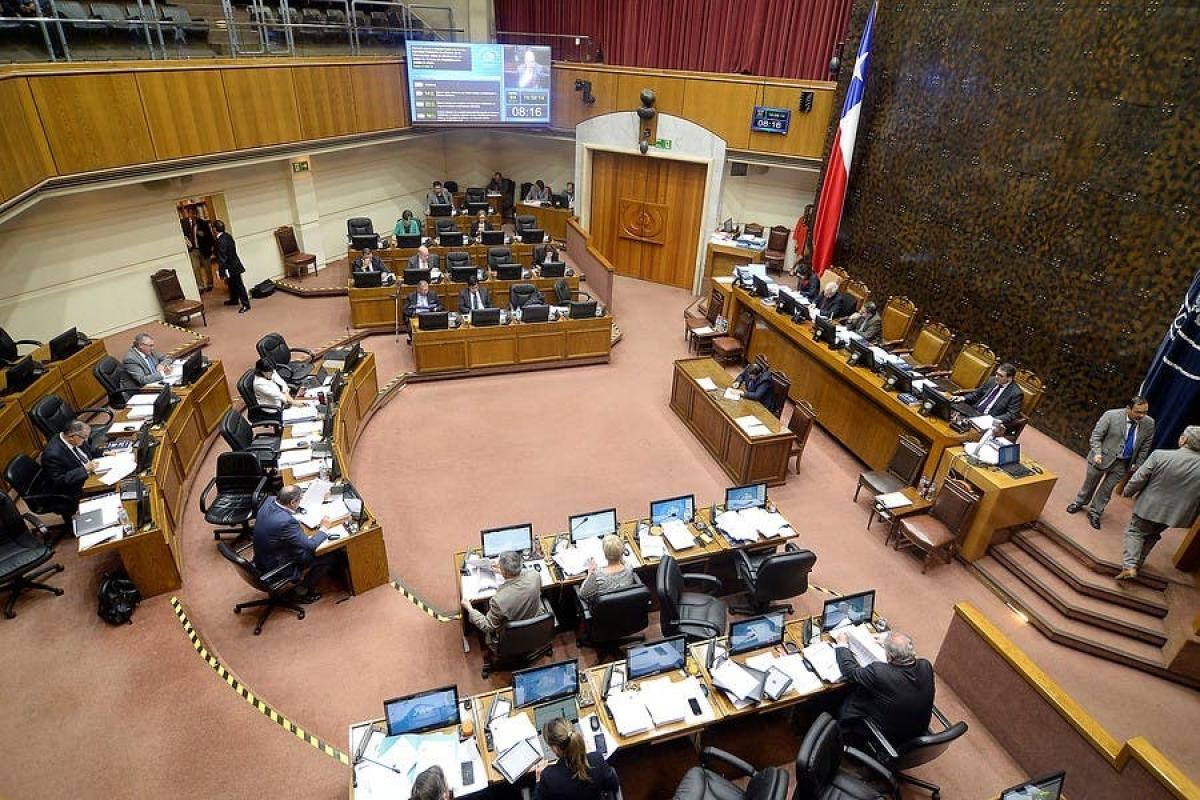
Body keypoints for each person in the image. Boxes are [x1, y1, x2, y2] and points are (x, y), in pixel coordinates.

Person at [1116, 426, 1200, 581]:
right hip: (1176, 514)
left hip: (1150, 506)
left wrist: (1127, 492)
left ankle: (1129, 566)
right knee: (1153, 534)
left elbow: (1139, 478)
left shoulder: (1160, 455)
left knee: (1135, 531)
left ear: (1185, 440)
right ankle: (1138, 564)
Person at [834, 629, 935, 746]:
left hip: (889, 737)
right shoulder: (926, 665)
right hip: (916, 730)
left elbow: (850, 671)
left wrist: (842, 644)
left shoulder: (879, 673)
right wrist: (887, 642)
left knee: (853, 695)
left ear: (890, 658)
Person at [1067, 397, 1155, 530]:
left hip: (1123, 463)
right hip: (1101, 458)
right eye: (1138, 412)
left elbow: (1145, 446)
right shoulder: (1111, 415)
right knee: (1089, 484)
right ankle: (1078, 503)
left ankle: (1095, 512)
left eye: (1145, 412)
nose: (1142, 415)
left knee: (1107, 490)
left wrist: (1138, 464)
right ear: (1128, 408)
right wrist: (1097, 453)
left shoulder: (1149, 423)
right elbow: (1096, 436)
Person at [252, 485, 340, 603]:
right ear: (293, 502)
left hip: (262, 558)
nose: (301, 502)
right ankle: (301, 591)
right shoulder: (286, 522)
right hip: (278, 564)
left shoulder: (269, 501)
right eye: (300, 500)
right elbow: (311, 545)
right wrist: (324, 528)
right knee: (328, 556)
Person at [461, 550, 542, 651]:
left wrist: (469, 608)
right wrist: (502, 571)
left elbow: (487, 626)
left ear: (504, 572)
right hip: (534, 626)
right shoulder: (535, 576)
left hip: (511, 636)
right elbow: (524, 573)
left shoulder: (499, 600)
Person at [532, 717, 620, 800]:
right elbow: (614, 786)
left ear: (555, 748)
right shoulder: (596, 759)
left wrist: (538, 780)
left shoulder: (549, 777)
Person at [40, 420, 99, 510]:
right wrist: (85, 469)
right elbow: (60, 481)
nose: (86, 440)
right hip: (77, 487)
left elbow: (90, 450)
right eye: (84, 437)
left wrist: (103, 452)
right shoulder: (52, 454)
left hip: (92, 472)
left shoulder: (77, 439)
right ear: (72, 437)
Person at [956, 363, 1024, 425]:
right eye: (997, 373)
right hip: (973, 411)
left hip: (988, 419)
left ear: (1010, 378)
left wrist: (994, 420)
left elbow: (1011, 414)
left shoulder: (1016, 393)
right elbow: (976, 394)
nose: (996, 377)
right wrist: (963, 398)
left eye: (1000, 375)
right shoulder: (991, 380)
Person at [577, 534, 635, 603]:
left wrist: (590, 573)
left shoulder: (597, 575)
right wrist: (618, 555)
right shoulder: (629, 567)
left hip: (603, 608)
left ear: (605, 554)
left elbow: (582, 594)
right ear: (622, 551)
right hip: (625, 606)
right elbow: (623, 562)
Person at [213, 220, 251, 313]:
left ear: (215, 229)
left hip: (230, 266)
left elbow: (222, 257)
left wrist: (221, 271)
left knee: (238, 285)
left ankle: (246, 304)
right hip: (234, 264)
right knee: (232, 284)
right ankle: (234, 299)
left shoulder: (220, 240)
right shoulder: (227, 236)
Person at [180, 205, 214, 293]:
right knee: (196, 268)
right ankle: (200, 286)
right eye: (191, 213)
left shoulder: (203, 223)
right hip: (192, 250)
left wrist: (203, 236)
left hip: (204, 249)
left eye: (195, 213)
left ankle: (210, 284)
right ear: (188, 213)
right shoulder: (183, 223)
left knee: (207, 267)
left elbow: (210, 237)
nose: (194, 215)